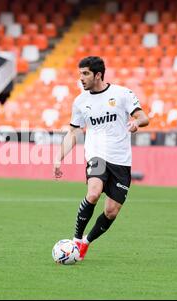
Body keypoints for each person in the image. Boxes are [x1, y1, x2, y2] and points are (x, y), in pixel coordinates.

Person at [53, 56, 149, 261]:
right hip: (96, 156)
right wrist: (59, 158)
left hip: (121, 160)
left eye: (85, 74)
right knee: (94, 193)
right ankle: (76, 241)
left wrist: (136, 124)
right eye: (80, 74)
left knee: (111, 211)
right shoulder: (80, 101)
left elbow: (143, 117)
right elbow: (73, 132)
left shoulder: (122, 94)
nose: (81, 78)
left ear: (98, 75)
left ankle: (86, 242)